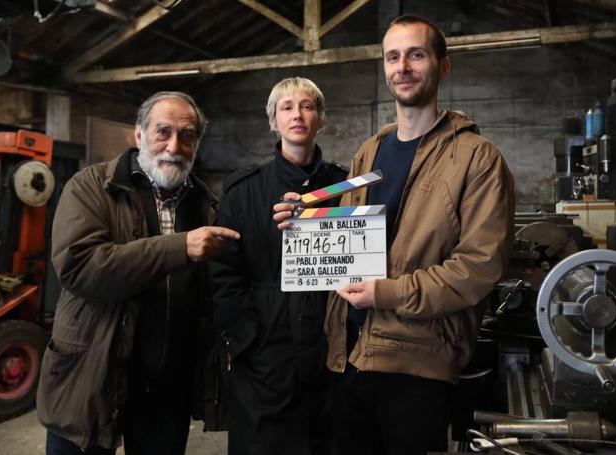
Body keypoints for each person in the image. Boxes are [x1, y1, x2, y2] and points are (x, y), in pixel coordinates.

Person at [274, 14, 515, 455]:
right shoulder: (369, 152)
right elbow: (352, 238)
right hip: (348, 355)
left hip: (417, 364)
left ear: (443, 66)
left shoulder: (477, 158)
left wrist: (385, 294)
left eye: (416, 55)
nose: (402, 66)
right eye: (392, 57)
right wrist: (305, 225)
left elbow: (479, 267)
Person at [37, 91, 240, 455]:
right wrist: (180, 247)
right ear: (139, 135)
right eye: (163, 132)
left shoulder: (205, 205)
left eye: (187, 135)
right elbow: (81, 266)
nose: (174, 146)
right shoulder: (91, 187)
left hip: (165, 388)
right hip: (90, 376)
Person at [211, 77, 347, 455]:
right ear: (273, 121)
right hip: (264, 358)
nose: (298, 115)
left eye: (307, 106)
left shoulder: (347, 186)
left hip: (331, 349)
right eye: (286, 108)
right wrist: (247, 336)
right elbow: (224, 274)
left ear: (321, 118)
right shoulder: (242, 191)